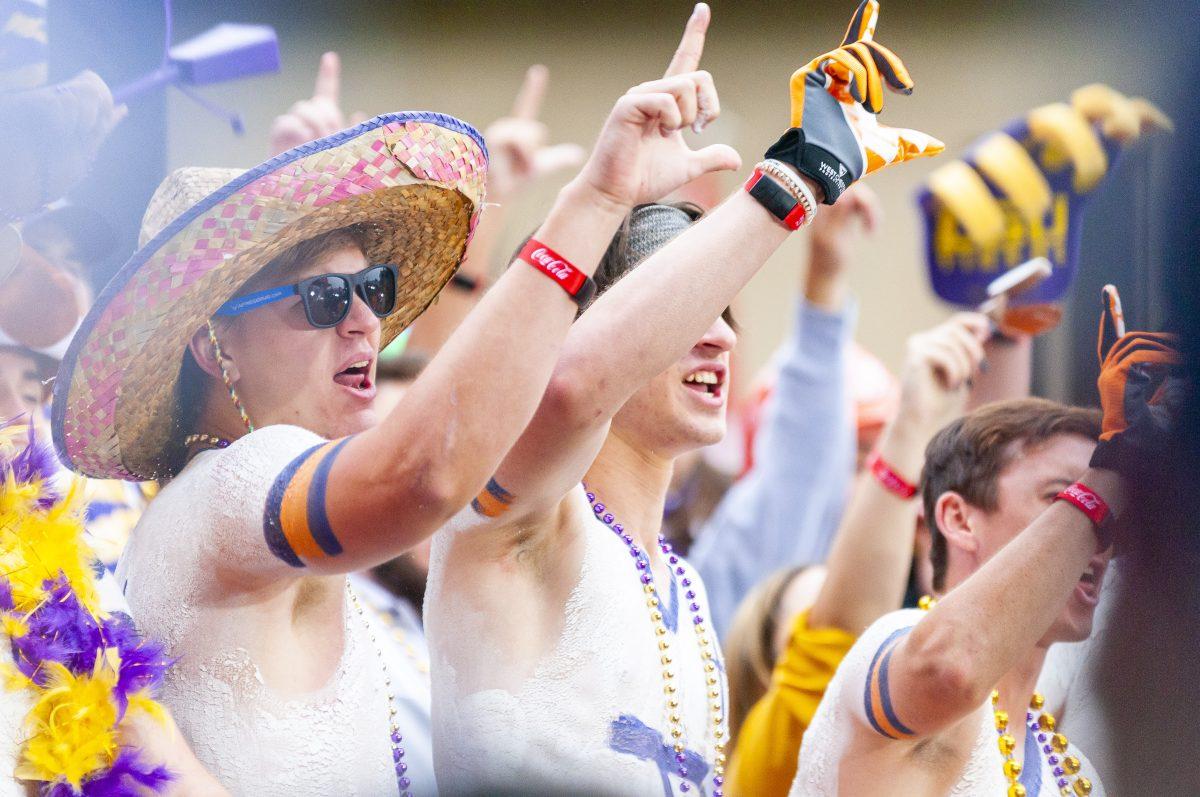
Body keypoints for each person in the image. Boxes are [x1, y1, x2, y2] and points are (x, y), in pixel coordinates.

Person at [50, 8, 751, 792]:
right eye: (321, 297)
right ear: (214, 348)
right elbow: (430, 470)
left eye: (373, 288)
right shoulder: (229, 484)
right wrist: (597, 198)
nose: (366, 321)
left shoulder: (281, 525)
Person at [423, 2, 942, 793]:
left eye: (727, 316)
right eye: (686, 317)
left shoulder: (686, 587)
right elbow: (568, 390)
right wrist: (796, 174)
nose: (721, 338)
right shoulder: (516, 519)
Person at [788, 302, 1176, 797]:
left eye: (1107, 513)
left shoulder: (1075, 774)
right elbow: (952, 668)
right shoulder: (897, 642)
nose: (1096, 534)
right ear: (957, 518)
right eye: (1062, 498)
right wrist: (1111, 473)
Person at [724, 312, 990, 796]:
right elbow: (842, 637)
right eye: (808, 626)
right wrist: (911, 423)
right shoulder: (770, 762)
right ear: (766, 671)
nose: (871, 645)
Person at [688, 183, 879, 637]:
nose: (872, 484)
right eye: (853, 461)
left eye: (883, 461)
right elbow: (802, 463)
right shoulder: (748, 557)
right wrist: (824, 280)